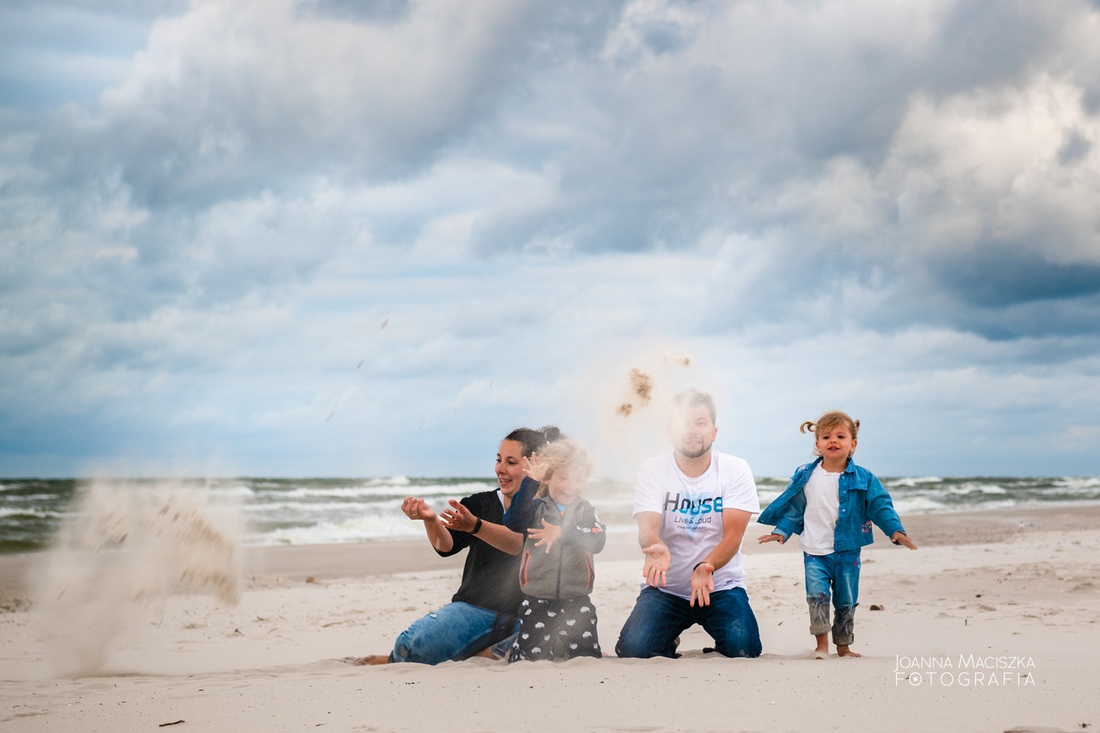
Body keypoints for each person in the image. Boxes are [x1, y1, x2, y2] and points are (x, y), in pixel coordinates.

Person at [354, 426, 557, 665]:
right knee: (411, 646)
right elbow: (445, 546)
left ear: (536, 465)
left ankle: (483, 654)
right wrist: (430, 520)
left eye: (511, 462)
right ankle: (482, 652)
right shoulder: (479, 503)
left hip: (528, 615)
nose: (500, 469)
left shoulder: (550, 508)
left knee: (558, 635)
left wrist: (476, 526)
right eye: (498, 460)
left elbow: (520, 544)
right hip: (475, 610)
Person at [757, 410, 917, 658]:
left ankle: (844, 647)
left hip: (848, 551)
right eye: (826, 436)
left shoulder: (864, 477)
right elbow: (794, 508)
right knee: (816, 597)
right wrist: (781, 531)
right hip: (814, 551)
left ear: (852, 444)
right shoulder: (805, 475)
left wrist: (895, 531)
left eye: (840, 436)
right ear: (817, 443)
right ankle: (821, 647)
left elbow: (880, 505)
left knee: (846, 601)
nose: (833, 440)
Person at [615, 389, 763, 659]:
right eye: (683, 422)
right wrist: (656, 546)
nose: (692, 430)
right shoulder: (653, 469)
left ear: (714, 432)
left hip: (721, 587)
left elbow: (733, 536)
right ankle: (669, 637)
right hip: (666, 589)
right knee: (633, 650)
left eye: (701, 422)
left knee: (743, 648)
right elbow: (647, 529)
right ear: (670, 431)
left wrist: (707, 566)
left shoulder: (734, 469)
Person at [506, 438, 606, 662]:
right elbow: (512, 521)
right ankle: (519, 647)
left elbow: (598, 539)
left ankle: (560, 643)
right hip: (537, 597)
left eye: (578, 479)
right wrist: (531, 482)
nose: (571, 486)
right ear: (548, 477)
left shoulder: (586, 510)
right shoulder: (536, 507)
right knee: (531, 658)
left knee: (587, 657)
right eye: (564, 478)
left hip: (577, 598)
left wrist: (562, 532)